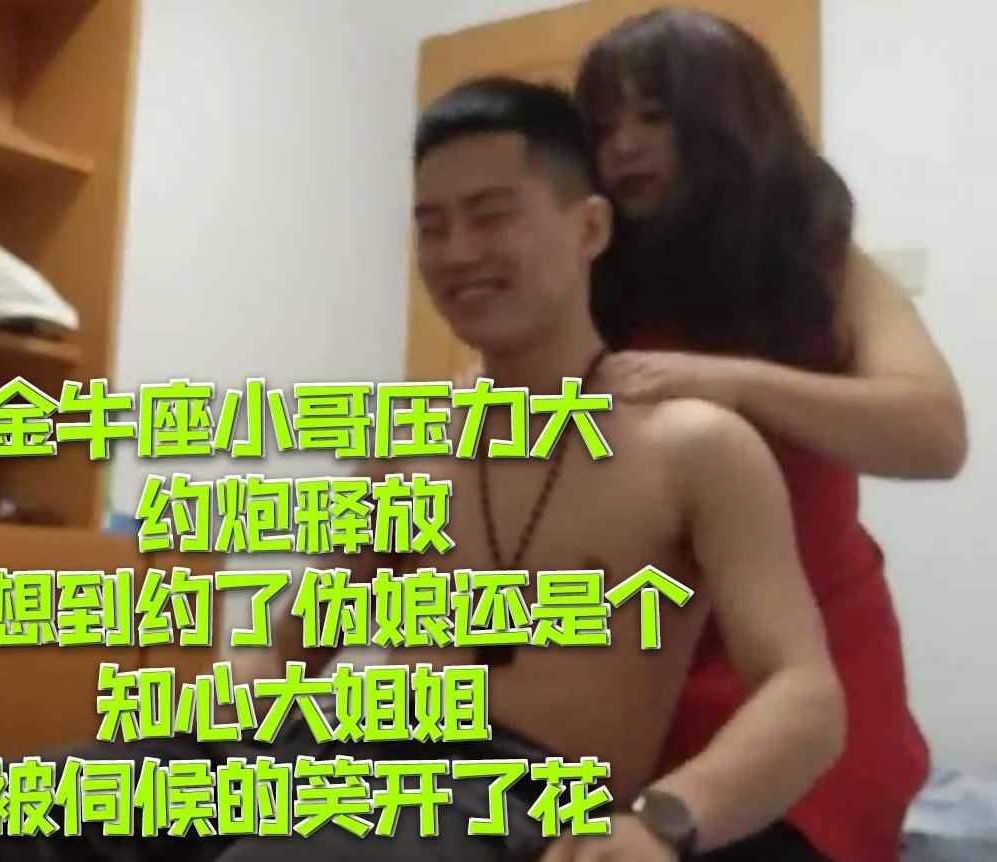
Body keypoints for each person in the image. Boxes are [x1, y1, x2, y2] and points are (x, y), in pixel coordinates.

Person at [220, 76, 845, 862]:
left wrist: (664, 821)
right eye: (432, 227)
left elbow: (804, 692)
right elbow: (285, 647)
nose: (458, 253)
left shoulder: (695, 447)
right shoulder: (403, 444)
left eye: (491, 216)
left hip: (518, 794)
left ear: (589, 228)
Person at [567, 8, 969, 862]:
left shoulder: (822, 265)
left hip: (808, 682)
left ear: (727, 118)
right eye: (602, 129)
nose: (624, 147)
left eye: (654, 117)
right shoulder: (591, 280)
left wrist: (736, 383)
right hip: (638, 676)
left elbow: (935, 435)